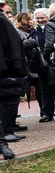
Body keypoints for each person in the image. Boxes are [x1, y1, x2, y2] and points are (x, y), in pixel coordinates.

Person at [31, 9, 55, 122]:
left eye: (42, 18)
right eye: (38, 18)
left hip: (54, 61)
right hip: (41, 63)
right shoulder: (34, 30)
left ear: (48, 17)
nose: (40, 20)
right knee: (44, 89)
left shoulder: (53, 28)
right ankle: (47, 113)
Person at [0, 11, 26, 160]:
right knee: (9, 101)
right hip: (8, 68)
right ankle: (4, 138)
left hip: (7, 68)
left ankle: (4, 138)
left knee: (9, 100)